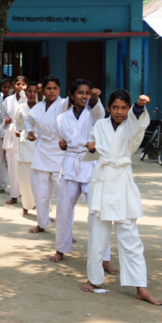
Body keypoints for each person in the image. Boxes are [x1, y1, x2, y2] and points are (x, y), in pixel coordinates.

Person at [83, 91, 162, 306]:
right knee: (97, 234)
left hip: (122, 184)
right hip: (101, 180)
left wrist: (138, 106)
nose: (120, 112)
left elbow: (138, 127)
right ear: (109, 108)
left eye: (124, 108)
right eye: (115, 107)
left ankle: (141, 287)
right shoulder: (99, 125)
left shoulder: (131, 125)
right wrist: (91, 148)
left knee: (130, 238)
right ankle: (93, 278)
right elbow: (93, 147)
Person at [53, 80, 114, 271]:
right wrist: (62, 144)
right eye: (80, 93)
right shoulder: (62, 117)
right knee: (63, 208)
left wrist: (95, 99)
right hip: (71, 163)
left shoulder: (95, 113)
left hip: (90, 162)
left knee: (97, 211)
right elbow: (62, 138)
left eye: (87, 93)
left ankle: (104, 257)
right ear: (72, 95)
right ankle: (61, 248)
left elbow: (98, 112)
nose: (84, 96)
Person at [26, 75, 72, 234]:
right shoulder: (37, 108)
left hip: (60, 150)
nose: (52, 91)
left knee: (63, 194)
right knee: (40, 192)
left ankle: (64, 230)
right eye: (48, 88)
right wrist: (30, 132)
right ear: (43, 90)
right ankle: (42, 222)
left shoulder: (65, 104)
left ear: (59, 90)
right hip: (42, 150)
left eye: (55, 88)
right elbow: (28, 120)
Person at [13, 82, 38, 216]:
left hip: (39, 145)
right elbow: (16, 122)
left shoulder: (42, 107)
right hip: (24, 145)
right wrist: (18, 131)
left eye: (35, 91)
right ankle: (26, 206)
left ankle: (41, 209)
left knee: (41, 180)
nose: (32, 94)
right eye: (30, 91)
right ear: (26, 93)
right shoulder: (21, 107)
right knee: (23, 178)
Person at [2, 76, 27, 205]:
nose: (20, 87)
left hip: (23, 134)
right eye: (18, 84)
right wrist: (6, 121)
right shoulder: (8, 100)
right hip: (11, 134)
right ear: (14, 85)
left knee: (24, 166)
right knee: (12, 166)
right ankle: (14, 195)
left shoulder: (29, 99)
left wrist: (24, 94)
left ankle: (26, 196)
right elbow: (5, 117)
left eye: (23, 84)